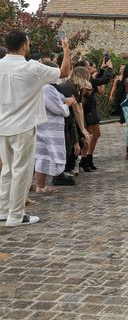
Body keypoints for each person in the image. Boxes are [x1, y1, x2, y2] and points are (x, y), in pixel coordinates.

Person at [0, 29, 70, 226]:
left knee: (7, 169)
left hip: (3, 125)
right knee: (22, 171)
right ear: (24, 45)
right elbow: (64, 72)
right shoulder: (32, 68)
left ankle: (3, 211)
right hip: (23, 126)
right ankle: (16, 215)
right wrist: (66, 50)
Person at [34, 60, 74, 194]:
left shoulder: (47, 87)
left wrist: (64, 100)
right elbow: (57, 108)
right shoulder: (46, 88)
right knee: (43, 156)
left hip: (47, 127)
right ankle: (40, 185)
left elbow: (60, 99)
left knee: (43, 156)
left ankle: (39, 185)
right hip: (47, 128)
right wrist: (67, 105)